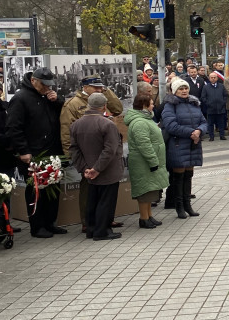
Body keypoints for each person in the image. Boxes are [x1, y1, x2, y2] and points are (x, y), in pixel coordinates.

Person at [6, 67, 67, 239]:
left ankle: (50, 222)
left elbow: (60, 115)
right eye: (43, 84)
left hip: (52, 150)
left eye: (49, 84)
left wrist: (57, 101)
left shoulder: (47, 96)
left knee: (53, 187)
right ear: (33, 80)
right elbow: (13, 127)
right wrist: (23, 151)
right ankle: (37, 225)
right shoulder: (21, 98)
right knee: (36, 190)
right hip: (34, 152)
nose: (47, 87)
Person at [60, 76, 126, 234]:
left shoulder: (103, 98)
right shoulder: (73, 104)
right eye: (95, 87)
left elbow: (117, 109)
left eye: (100, 87)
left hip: (104, 155)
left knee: (106, 192)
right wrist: (78, 163)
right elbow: (67, 134)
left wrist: (106, 91)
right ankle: (87, 222)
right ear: (84, 87)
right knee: (88, 192)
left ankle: (105, 220)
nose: (99, 89)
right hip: (87, 157)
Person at [161, 79, 207, 219]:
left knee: (189, 175)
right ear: (175, 91)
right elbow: (170, 125)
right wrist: (191, 133)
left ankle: (188, 205)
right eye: (180, 89)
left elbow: (204, 122)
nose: (184, 91)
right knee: (178, 177)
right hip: (178, 144)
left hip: (193, 144)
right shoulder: (170, 105)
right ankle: (179, 206)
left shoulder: (195, 104)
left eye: (185, 88)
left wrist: (199, 131)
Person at [124, 94, 167, 230]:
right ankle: (143, 218)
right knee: (144, 191)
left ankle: (149, 215)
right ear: (144, 105)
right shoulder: (140, 122)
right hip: (143, 162)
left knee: (150, 190)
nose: (153, 105)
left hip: (147, 162)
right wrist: (153, 160)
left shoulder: (145, 119)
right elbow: (144, 144)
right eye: (151, 103)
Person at [201, 70, 227, 141]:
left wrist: (223, 102)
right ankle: (211, 136)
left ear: (217, 78)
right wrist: (208, 104)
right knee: (210, 124)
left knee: (221, 123)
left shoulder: (221, 86)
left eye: (214, 77)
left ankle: (222, 135)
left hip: (220, 108)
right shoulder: (206, 87)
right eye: (211, 77)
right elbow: (203, 97)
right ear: (209, 78)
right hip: (210, 108)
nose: (213, 79)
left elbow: (225, 96)